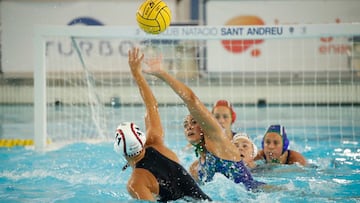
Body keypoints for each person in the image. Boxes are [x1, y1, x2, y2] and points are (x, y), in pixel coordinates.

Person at [142, 48, 265, 191]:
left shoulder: (218, 141)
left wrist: (162, 74)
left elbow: (192, 100)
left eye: (194, 122)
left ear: (204, 126)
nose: (189, 127)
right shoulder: (195, 168)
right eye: (185, 125)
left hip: (258, 194)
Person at [113, 47, 211, 202]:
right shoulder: (156, 143)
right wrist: (137, 74)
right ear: (142, 139)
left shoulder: (135, 183)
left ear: (119, 150)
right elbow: (152, 105)